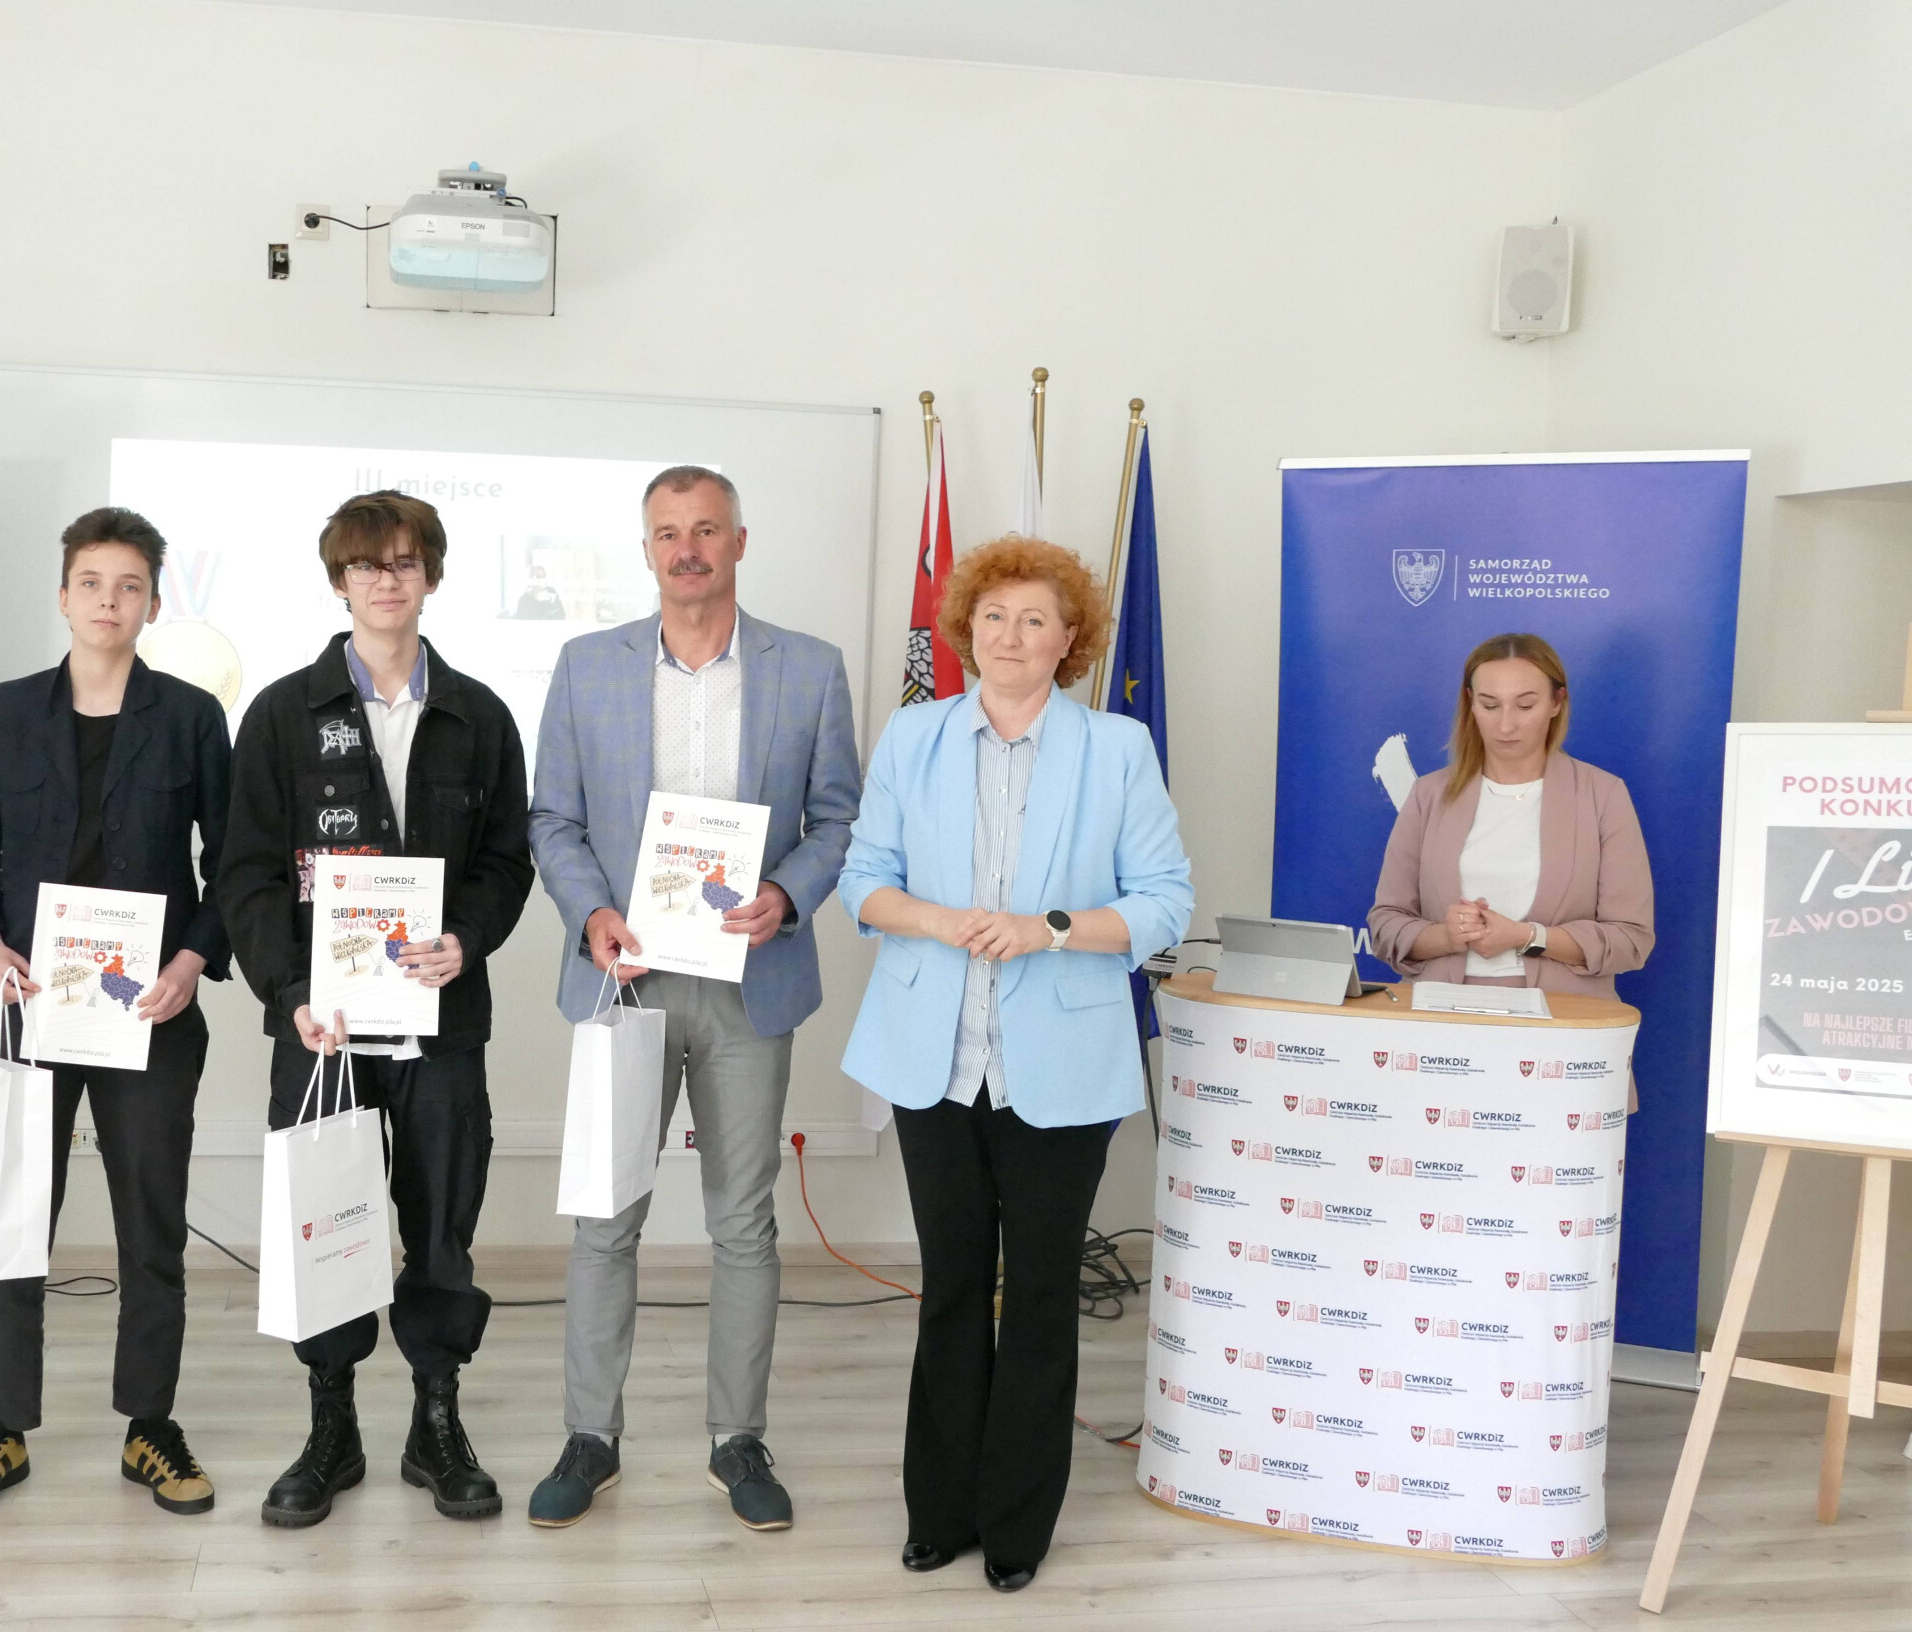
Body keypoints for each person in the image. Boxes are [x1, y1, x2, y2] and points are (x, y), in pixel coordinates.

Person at [837, 535, 1193, 1592]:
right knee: (951, 1285)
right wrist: (937, 918)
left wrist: (1050, 929)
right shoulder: (913, 735)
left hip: (1064, 1062)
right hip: (930, 1057)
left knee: (1039, 1291)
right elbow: (862, 879)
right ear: (965, 629)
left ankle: (1017, 1524)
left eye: (1035, 619)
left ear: (1069, 638)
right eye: (993, 616)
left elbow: (1164, 903)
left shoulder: (1115, 748)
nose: (1010, 635)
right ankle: (939, 1509)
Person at [525, 465, 861, 1532]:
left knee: (744, 1222)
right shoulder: (588, 667)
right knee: (605, 1217)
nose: (688, 549)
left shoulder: (809, 669)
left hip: (750, 983)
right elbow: (552, 821)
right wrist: (592, 913)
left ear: (738, 542)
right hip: (625, 980)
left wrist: (786, 894)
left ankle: (736, 1437)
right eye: (668, 532)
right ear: (646, 551)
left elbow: (837, 819)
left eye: (706, 529)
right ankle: (590, 1435)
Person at [217, 490, 534, 1528]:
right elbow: (246, 873)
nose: (385, 580)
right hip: (324, 1030)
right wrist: (291, 992)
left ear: (430, 575)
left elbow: (505, 862)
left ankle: (435, 1423)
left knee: (440, 1225)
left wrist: (467, 937)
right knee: (327, 1224)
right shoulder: (280, 715)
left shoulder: (480, 716)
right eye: (365, 564)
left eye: (403, 562)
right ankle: (332, 1428)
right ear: (339, 581)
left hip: (442, 1023)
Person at [0, 507, 234, 1524]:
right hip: (30, 1007)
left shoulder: (191, 717)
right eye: (93, 583)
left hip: (148, 1009)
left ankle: (150, 1422)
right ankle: (0, 1428)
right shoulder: (6, 711)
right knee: (12, 1220)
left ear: (153, 602)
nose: (110, 602)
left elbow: (232, 865)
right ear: (63, 595)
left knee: (151, 1227)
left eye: (130, 586)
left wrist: (192, 960)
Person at [1367, 632, 1653, 1001]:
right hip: (1439, 1012)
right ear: (1470, 703)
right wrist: (1447, 937)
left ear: (1557, 702)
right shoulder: (1428, 795)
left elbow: (1631, 939)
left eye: (1525, 706)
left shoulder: (1603, 795)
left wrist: (1528, 937)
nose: (1505, 726)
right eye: (1490, 705)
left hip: (1564, 1017)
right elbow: (1385, 925)